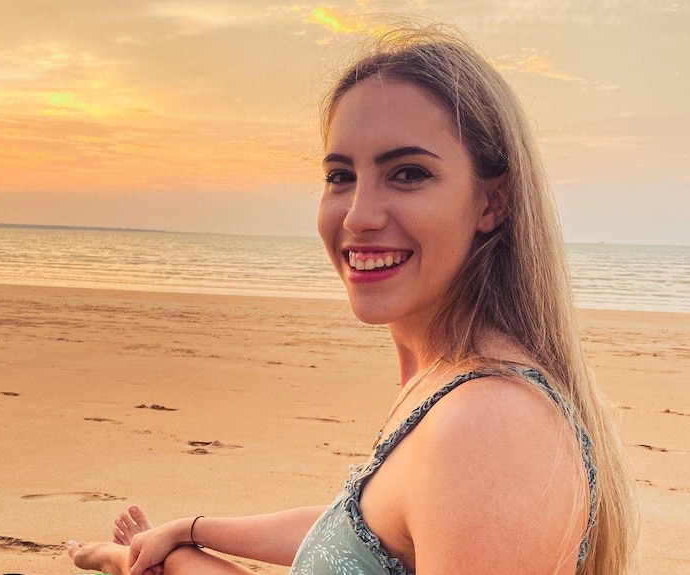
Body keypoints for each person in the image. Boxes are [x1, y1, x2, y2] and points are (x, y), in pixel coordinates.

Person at [67, 23, 637, 575]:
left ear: (492, 202)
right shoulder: (448, 381)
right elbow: (360, 528)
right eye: (340, 176)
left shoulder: (490, 426)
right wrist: (190, 531)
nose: (359, 216)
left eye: (408, 173)